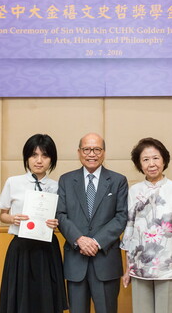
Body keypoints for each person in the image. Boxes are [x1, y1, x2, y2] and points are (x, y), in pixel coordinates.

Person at [121, 137, 172, 313]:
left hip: (170, 267)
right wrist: (127, 268)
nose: (151, 164)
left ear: (164, 160)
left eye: (156, 158)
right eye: (145, 159)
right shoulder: (134, 191)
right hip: (140, 267)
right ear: (139, 164)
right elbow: (129, 231)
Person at [56, 133, 128, 313]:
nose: (92, 154)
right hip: (75, 260)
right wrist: (79, 239)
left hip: (105, 260)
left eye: (97, 149)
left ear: (103, 152)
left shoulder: (118, 181)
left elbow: (121, 216)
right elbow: (60, 214)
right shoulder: (66, 180)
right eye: (87, 149)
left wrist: (96, 242)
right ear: (79, 152)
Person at [0, 134, 68, 313]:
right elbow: (2, 215)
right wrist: (13, 218)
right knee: (21, 299)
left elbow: (63, 219)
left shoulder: (57, 186)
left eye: (45, 156)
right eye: (34, 155)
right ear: (26, 158)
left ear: (52, 159)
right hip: (21, 248)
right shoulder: (13, 182)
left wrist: (56, 223)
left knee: (46, 298)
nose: (39, 161)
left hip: (47, 248)